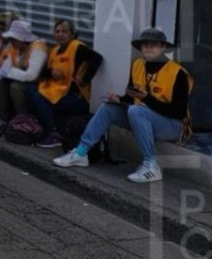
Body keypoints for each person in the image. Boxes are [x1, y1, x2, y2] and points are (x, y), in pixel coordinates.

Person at [53, 28, 193, 183]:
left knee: (136, 111)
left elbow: (179, 112)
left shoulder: (177, 73)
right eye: (145, 44)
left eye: (153, 44)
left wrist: (146, 99)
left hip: (175, 126)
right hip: (144, 116)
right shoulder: (138, 64)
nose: (148, 47)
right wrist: (119, 99)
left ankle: (151, 166)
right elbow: (131, 97)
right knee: (108, 108)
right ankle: (81, 152)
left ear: (163, 47)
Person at [27, 19, 103, 148]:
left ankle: (53, 134)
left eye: (64, 31)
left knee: (39, 98)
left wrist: (85, 79)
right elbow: (44, 73)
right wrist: (52, 72)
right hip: (57, 91)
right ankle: (37, 127)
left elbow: (97, 58)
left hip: (76, 97)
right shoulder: (55, 50)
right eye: (57, 31)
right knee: (30, 90)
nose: (60, 34)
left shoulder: (77, 47)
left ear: (72, 34)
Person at [0, 20, 47, 131]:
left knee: (15, 87)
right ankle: (3, 118)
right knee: (1, 83)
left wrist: (9, 72)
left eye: (14, 39)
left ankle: (22, 120)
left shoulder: (38, 49)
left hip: (39, 85)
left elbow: (31, 76)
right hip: (26, 81)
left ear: (23, 39)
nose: (11, 42)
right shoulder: (20, 49)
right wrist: (7, 73)